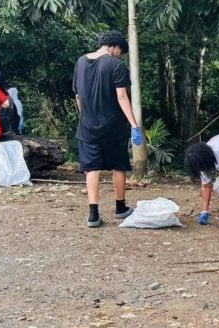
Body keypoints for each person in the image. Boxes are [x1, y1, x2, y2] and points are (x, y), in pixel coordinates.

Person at [72, 30, 142, 228]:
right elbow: (122, 97)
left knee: (91, 168)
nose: (120, 55)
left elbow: (78, 96)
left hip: (88, 126)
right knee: (118, 165)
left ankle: (93, 215)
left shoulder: (81, 62)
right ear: (116, 47)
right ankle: (120, 208)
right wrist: (134, 125)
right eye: (121, 52)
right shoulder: (116, 65)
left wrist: (86, 116)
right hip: (113, 126)